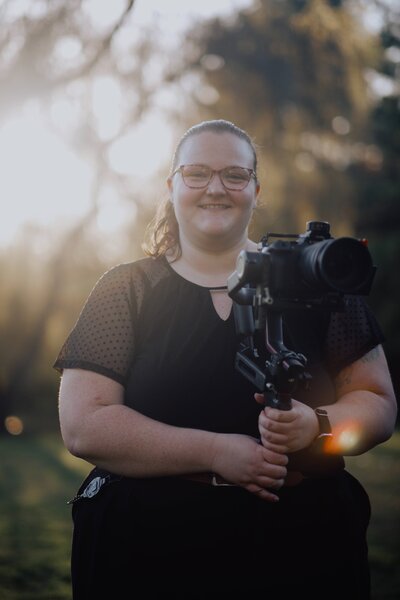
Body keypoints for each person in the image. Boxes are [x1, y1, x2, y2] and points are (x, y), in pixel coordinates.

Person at [54, 119, 397, 599]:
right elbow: (84, 424)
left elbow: (377, 401)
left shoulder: (324, 280)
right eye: (197, 173)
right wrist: (216, 452)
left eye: (234, 176)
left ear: (256, 191)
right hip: (149, 549)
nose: (215, 188)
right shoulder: (126, 289)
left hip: (305, 547)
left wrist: (319, 424)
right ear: (172, 186)